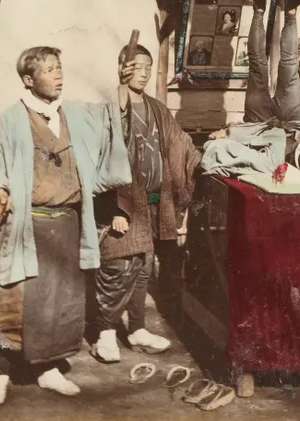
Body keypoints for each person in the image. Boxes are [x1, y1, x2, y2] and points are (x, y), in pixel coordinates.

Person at [0, 46, 131, 405]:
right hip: (27, 226)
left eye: (59, 68)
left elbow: (112, 115)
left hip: (67, 225)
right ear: (28, 80)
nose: (58, 75)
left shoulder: (75, 115)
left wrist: (123, 82)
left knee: (61, 302)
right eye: (49, 70)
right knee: (11, 301)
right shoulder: (10, 121)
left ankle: (49, 368)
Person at [93, 42, 201, 364]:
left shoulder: (157, 109)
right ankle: (104, 333)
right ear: (123, 69)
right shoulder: (112, 109)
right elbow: (104, 158)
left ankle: (137, 328)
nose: (143, 73)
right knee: (117, 266)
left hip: (154, 202)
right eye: (136, 67)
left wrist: (208, 153)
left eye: (148, 68)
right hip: (124, 204)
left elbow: (180, 143)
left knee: (143, 267)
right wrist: (114, 207)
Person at [203, 0, 300, 182]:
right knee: (288, 64)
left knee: (257, 67)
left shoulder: (270, 162)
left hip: (260, 125)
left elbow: (216, 149)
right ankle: (290, 13)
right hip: (290, 121)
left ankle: (259, 10)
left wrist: (228, 134)